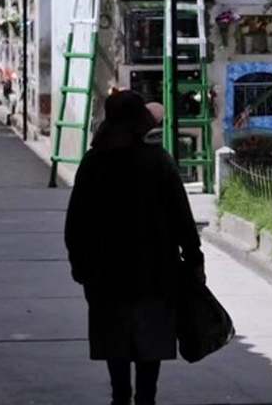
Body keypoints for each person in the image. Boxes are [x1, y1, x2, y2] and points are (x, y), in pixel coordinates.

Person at [64, 90, 205, 405]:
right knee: (150, 340)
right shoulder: (158, 161)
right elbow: (182, 217)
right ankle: (145, 398)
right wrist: (194, 259)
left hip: (104, 273)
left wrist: (79, 264)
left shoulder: (93, 163)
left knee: (114, 339)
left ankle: (119, 397)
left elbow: (76, 221)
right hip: (153, 272)